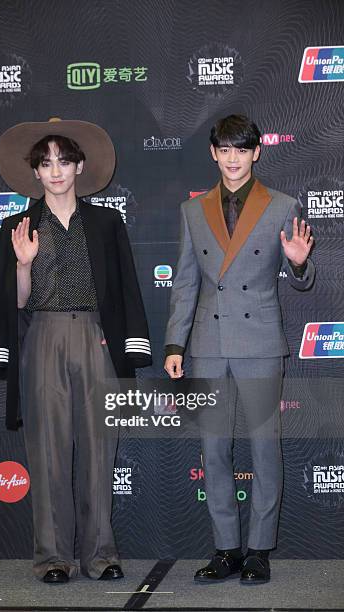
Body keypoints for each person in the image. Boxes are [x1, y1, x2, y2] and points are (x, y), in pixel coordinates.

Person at [0, 118, 151, 583]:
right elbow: (14, 302)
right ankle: (52, 558)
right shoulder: (17, 226)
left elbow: (126, 289)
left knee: (101, 452)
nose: (56, 170)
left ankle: (101, 555)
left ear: (79, 166)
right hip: (42, 337)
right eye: (46, 163)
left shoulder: (106, 221)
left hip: (96, 336)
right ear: (35, 172)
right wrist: (23, 264)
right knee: (47, 453)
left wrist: (128, 348)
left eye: (63, 160)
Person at [164, 114, 314, 584]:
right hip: (208, 345)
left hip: (261, 344)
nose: (232, 158)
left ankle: (259, 550)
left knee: (265, 449)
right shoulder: (193, 211)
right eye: (224, 149)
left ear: (256, 152)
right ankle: (226, 549)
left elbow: (303, 281)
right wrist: (175, 342)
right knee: (214, 450)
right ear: (213, 152)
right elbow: (186, 282)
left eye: (241, 149)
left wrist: (298, 265)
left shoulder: (282, 205)